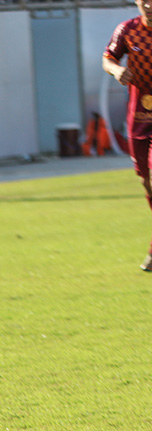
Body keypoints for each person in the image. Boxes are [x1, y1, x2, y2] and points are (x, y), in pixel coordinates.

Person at [104, 0, 152, 271]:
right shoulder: (127, 30)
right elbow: (108, 58)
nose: (149, 4)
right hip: (139, 120)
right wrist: (117, 70)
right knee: (147, 183)